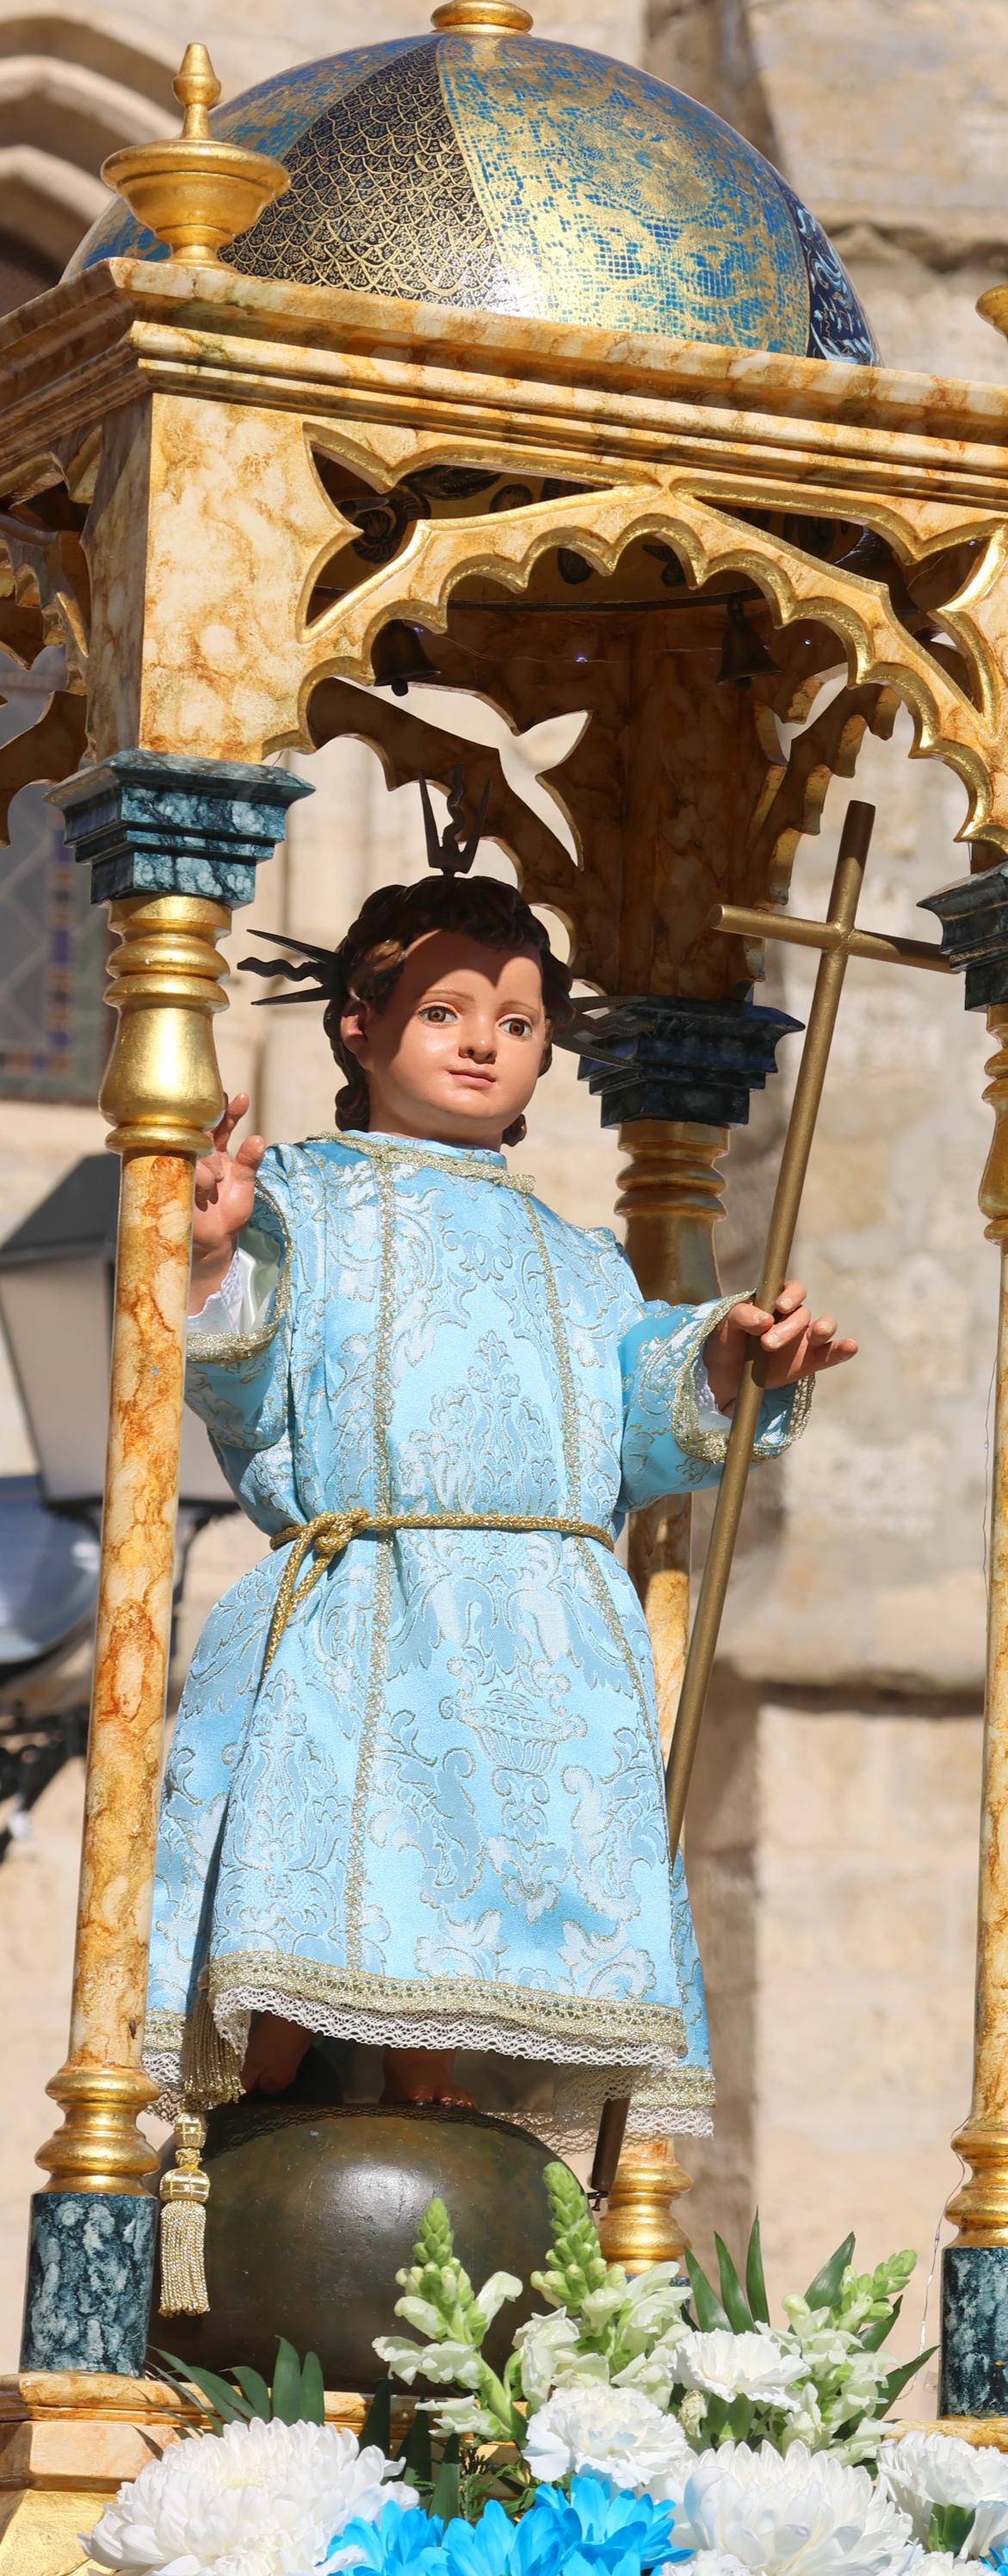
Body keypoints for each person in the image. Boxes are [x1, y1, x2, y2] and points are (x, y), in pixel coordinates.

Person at [147, 869, 852, 2150]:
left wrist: (732, 1359)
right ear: (358, 1026)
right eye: (445, 1009)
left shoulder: (575, 1257)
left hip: (534, 1634)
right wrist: (209, 1251)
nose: (483, 1042)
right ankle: (241, 2148)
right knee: (311, 1916)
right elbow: (241, 1372)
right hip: (369, 1603)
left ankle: (441, 2132)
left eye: (519, 1023)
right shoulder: (304, 1204)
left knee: (465, 1931)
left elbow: (644, 1401)